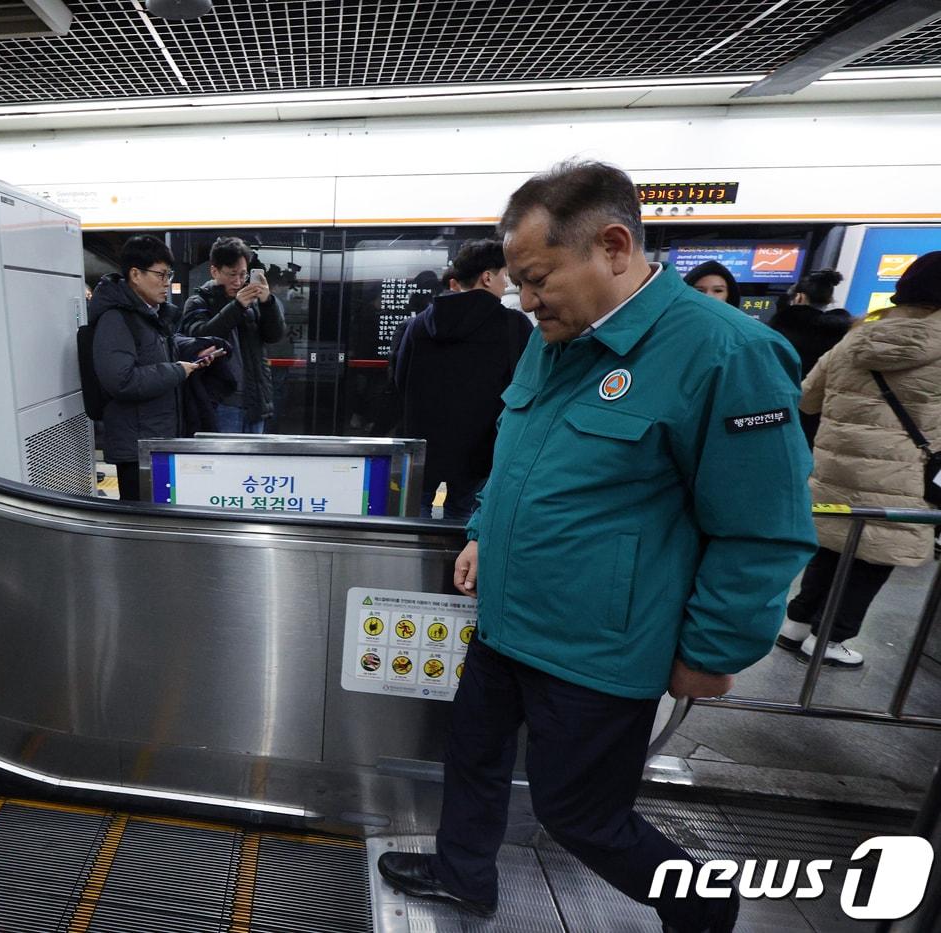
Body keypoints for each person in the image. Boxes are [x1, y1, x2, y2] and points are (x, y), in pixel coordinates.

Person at [376, 161, 816, 933]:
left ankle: (699, 897)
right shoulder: (556, 339)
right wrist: (482, 531)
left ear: (613, 246)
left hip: (599, 647)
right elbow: (519, 452)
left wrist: (712, 649)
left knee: (580, 812)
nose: (524, 298)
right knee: (471, 756)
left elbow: (761, 529)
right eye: (515, 280)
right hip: (508, 619)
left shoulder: (725, 353)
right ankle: (463, 873)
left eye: (537, 276)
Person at [776, 252, 941, 668]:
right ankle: (829, 638)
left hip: (834, 467)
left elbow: (808, 397)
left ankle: (796, 624)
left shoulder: (857, 336)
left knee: (832, 546)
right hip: (902, 475)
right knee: (874, 557)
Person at [393, 240, 532, 521]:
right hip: (483, 451)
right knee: (468, 518)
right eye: (504, 275)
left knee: (416, 515)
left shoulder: (418, 324)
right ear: (487, 277)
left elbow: (399, 379)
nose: (506, 284)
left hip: (424, 446)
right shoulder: (513, 325)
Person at [91, 235, 224, 501]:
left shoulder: (149, 315)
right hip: (136, 448)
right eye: (161, 275)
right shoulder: (116, 319)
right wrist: (177, 371)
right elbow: (121, 380)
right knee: (140, 526)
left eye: (169, 274)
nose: (167, 282)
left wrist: (195, 352)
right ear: (136, 275)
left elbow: (158, 352)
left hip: (155, 441)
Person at [178, 237, 286, 433]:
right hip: (221, 403)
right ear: (214, 271)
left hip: (255, 400)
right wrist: (236, 307)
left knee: (252, 464)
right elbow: (199, 339)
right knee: (223, 463)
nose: (238, 281)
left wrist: (267, 302)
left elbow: (274, 336)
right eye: (232, 274)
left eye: (243, 274)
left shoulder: (254, 302)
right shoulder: (199, 301)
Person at [769, 270, 851, 447]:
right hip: (823, 420)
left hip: (778, 414)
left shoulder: (780, 330)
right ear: (829, 299)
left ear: (799, 297)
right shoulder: (845, 334)